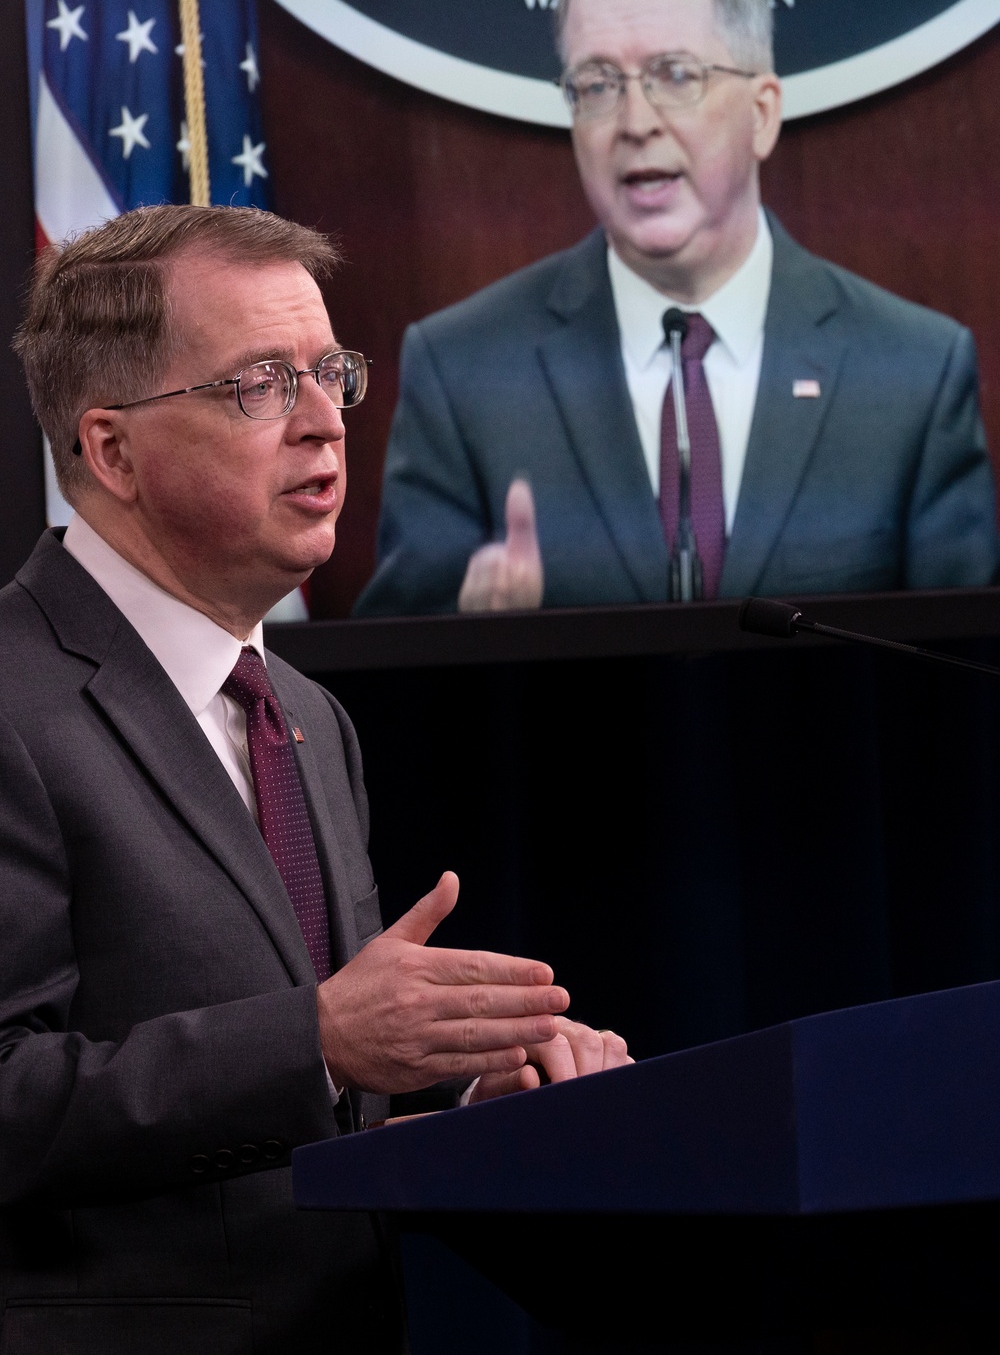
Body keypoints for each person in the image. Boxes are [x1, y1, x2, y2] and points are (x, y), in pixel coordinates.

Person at [0, 205, 630, 1355]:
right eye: (258, 385)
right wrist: (320, 1040)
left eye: (330, 372)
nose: (325, 423)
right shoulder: (14, 699)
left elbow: (322, 1104)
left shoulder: (308, 718)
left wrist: (485, 1103)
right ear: (111, 449)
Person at [356, 0, 999, 617]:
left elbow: (962, 686)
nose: (635, 121)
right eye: (597, 84)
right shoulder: (464, 371)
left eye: (674, 74)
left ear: (761, 113)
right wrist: (464, 634)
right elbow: (395, 693)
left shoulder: (912, 372)